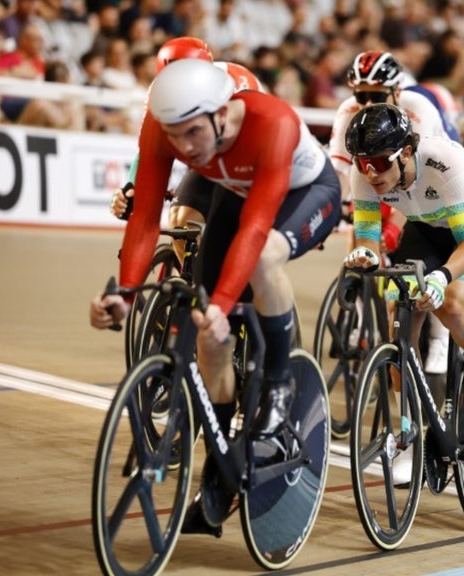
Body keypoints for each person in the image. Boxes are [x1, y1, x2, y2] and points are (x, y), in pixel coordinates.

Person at [88, 59, 340, 531]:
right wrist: (124, 293)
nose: (183, 148)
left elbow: (257, 226)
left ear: (221, 114)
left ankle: (280, 383)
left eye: (192, 134)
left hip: (306, 192)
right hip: (238, 194)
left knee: (263, 259)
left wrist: (223, 305)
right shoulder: (164, 127)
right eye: (174, 136)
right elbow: (145, 216)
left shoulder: (273, 123)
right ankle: (219, 465)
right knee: (208, 337)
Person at [342, 103, 464, 445]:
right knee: (399, 316)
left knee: (452, 304)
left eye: (378, 162)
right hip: (425, 228)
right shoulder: (362, 173)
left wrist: (442, 277)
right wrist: (365, 254)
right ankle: (409, 433)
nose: (370, 173)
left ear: (406, 152)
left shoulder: (444, 161)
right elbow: (369, 239)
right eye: (362, 163)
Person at [328, 50, 455, 374]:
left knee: (434, 239)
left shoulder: (419, 110)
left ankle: (441, 337)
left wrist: (394, 228)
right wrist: (332, 211)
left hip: (431, 177)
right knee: (360, 230)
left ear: (397, 93)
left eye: (377, 96)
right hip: (382, 171)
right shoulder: (349, 112)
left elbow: (419, 183)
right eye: (361, 95)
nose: (368, 104)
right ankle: (356, 318)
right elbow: (341, 173)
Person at [108, 37, 264, 264]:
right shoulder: (157, 95)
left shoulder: (234, 88)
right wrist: (132, 189)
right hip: (205, 157)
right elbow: (150, 150)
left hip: (243, 157)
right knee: (181, 220)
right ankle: (196, 287)